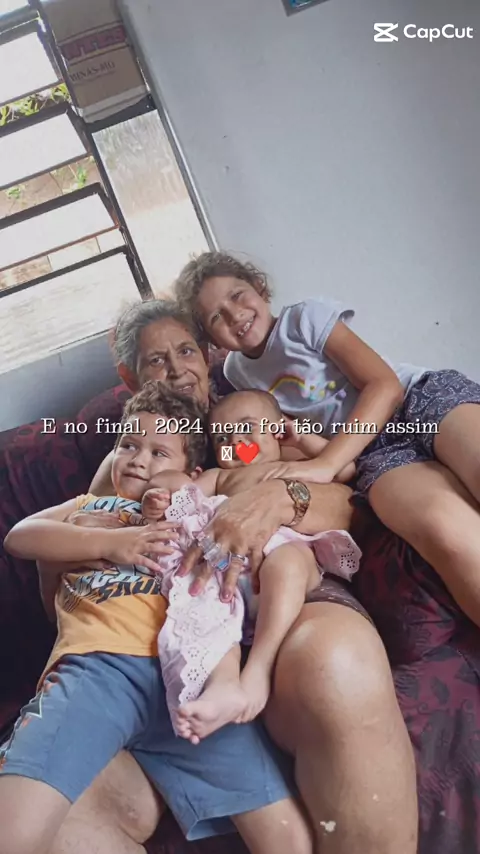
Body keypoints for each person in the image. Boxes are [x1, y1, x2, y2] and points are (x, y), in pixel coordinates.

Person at [43, 299, 417, 854]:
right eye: (155, 361)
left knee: (336, 663)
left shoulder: (247, 413)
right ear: (130, 377)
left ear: (208, 353)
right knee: (61, 807)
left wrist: (277, 499)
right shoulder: (129, 458)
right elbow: (65, 562)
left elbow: (347, 503)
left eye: (186, 351)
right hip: (162, 623)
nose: (177, 370)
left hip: (274, 586)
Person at [0, 383, 313, 854]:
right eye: (127, 445)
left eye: (158, 452)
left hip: (191, 676)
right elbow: (20, 536)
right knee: (12, 831)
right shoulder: (88, 509)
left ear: (192, 473)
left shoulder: (195, 510)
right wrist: (108, 543)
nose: (138, 460)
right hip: (95, 669)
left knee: (288, 839)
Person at [175, 251, 480, 630]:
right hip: (373, 454)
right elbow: (264, 442)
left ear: (259, 287)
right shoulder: (237, 373)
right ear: (211, 338)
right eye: (216, 317)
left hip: (418, 400)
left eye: (237, 295)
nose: (234, 314)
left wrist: (326, 463)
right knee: (443, 529)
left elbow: (384, 386)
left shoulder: (305, 319)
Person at [139, 388, 361, 743]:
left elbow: (346, 469)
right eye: (222, 438)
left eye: (246, 428)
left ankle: (258, 669)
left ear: (277, 431)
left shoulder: (292, 467)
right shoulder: (219, 476)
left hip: (278, 553)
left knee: (287, 563)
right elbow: (184, 492)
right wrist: (158, 495)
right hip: (222, 565)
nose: (235, 442)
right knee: (203, 603)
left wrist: (301, 438)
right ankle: (223, 687)